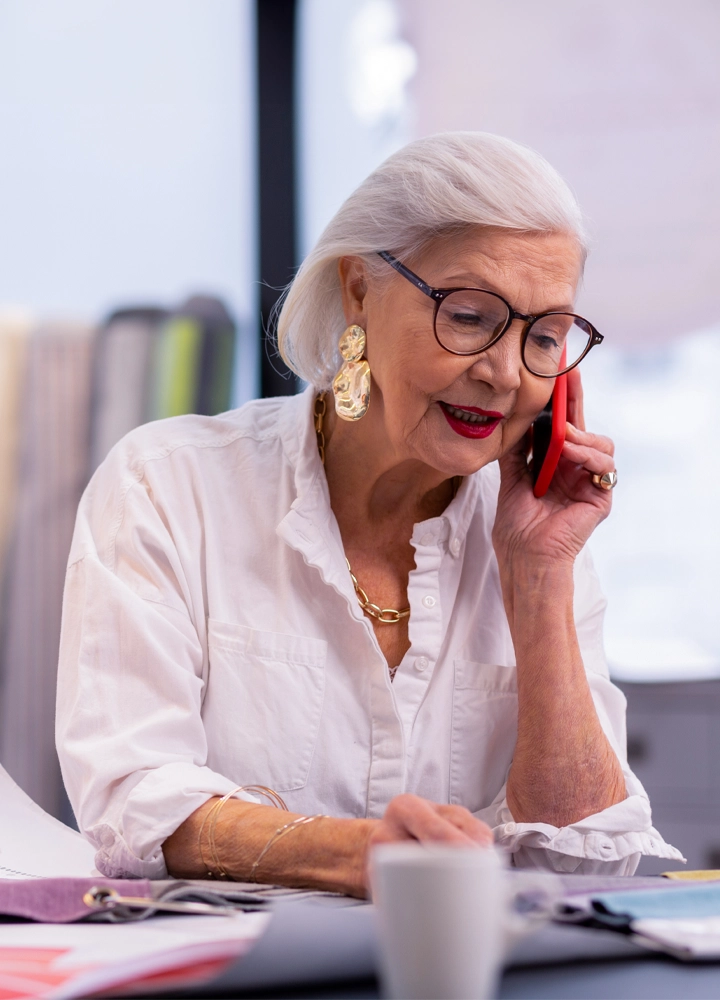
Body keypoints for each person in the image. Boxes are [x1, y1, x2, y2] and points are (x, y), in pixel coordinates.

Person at [56, 132, 681, 894]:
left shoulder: (536, 542)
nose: (504, 373)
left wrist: (538, 579)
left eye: (545, 336)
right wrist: (357, 855)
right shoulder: (168, 486)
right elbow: (130, 799)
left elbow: (587, 861)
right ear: (358, 289)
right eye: (470, 315)